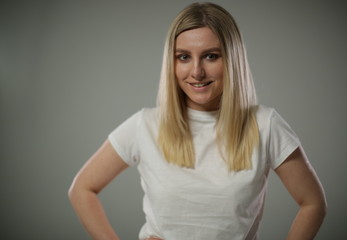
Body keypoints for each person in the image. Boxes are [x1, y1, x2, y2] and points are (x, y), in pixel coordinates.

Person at [68, 2, 327, 240]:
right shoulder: (144, 125)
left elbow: (313, 203)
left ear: (232, 59)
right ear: (172, 62)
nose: (196, 71)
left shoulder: (265, 124)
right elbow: (82, 189)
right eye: (184, 57)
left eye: (211, 56)